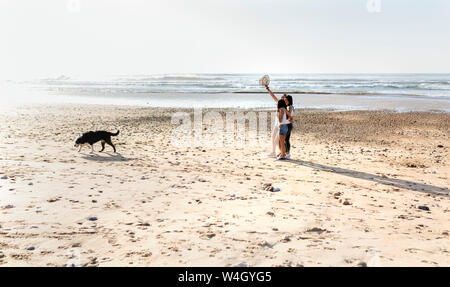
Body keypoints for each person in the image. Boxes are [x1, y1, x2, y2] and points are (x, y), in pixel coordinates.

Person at [265, 85, 293, 158]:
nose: (282, 98)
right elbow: (273, 96)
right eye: (282, 97)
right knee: (273, 137)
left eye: (284, 98)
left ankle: (282, 153)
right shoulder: (280, 103)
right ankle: (274, 152)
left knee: (278, 140)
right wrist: (268, 89)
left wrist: (289, 120)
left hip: (281, 125)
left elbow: (289, 116)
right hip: (276, 124)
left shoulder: (285, 107)